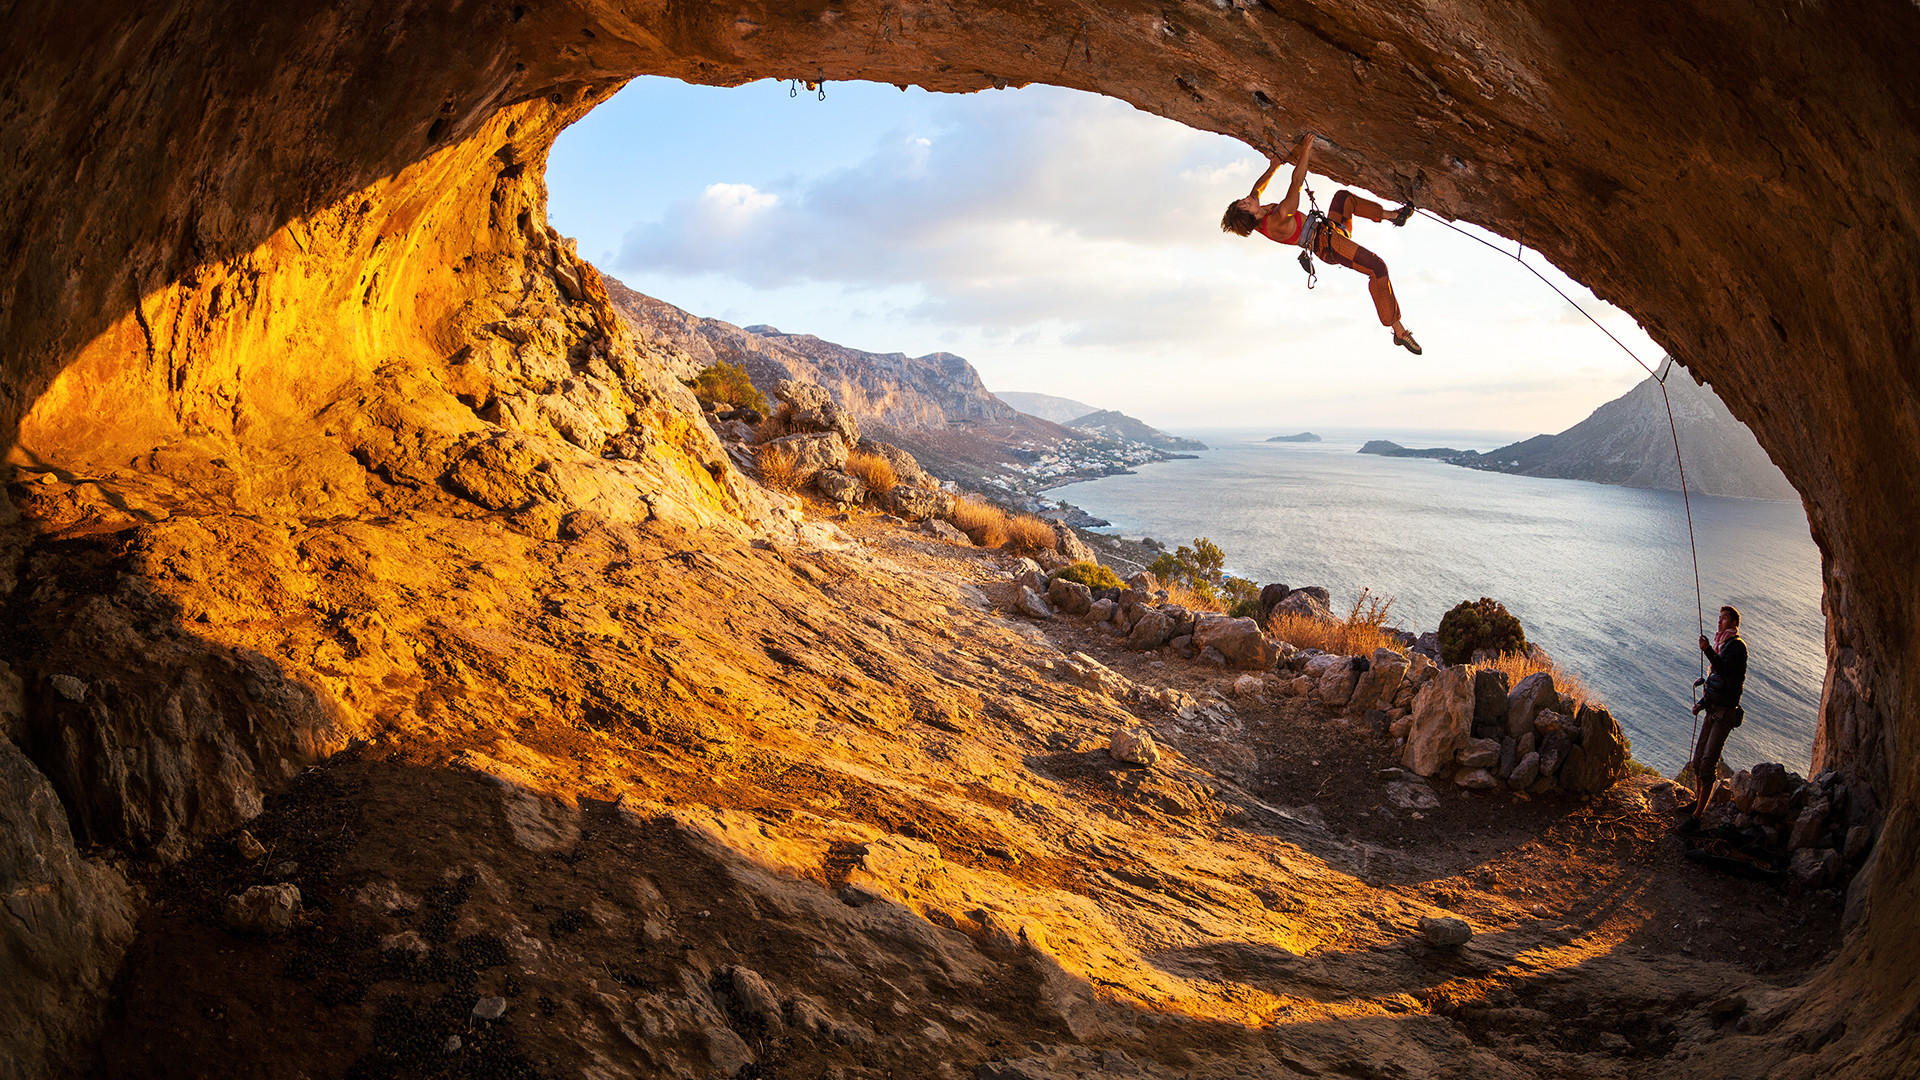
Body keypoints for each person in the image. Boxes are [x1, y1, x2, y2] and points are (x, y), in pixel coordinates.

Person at [1220, 132, 1422, 354]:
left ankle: (1394, 216)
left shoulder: (1256, 212)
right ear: (1249, 215)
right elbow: (1296, 183)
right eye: (1244, 204)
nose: (1247, 199)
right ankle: (1399, 331)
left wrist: (1274, 166)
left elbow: (1257, 189)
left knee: (1343, 198)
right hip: (1329, 245)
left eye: (1242, 200)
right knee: (1378, 267)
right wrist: (1306, 148)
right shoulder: (1276, 220)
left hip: (1332, 229)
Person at [1686, 605, 1748, 820]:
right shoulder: (1722, 644)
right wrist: (1701, 704)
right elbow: (1715, 683)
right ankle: (1697, 802)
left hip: (1725, 714)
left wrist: (1707, 651)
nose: (1720, 621)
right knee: (1697, 761)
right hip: (1713, 710)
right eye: (1719, 617)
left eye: (1724, 618)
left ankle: (1698, 816)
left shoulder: (1737, 647)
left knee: (1707, 764)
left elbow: (1723, 670)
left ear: (1734, 623)